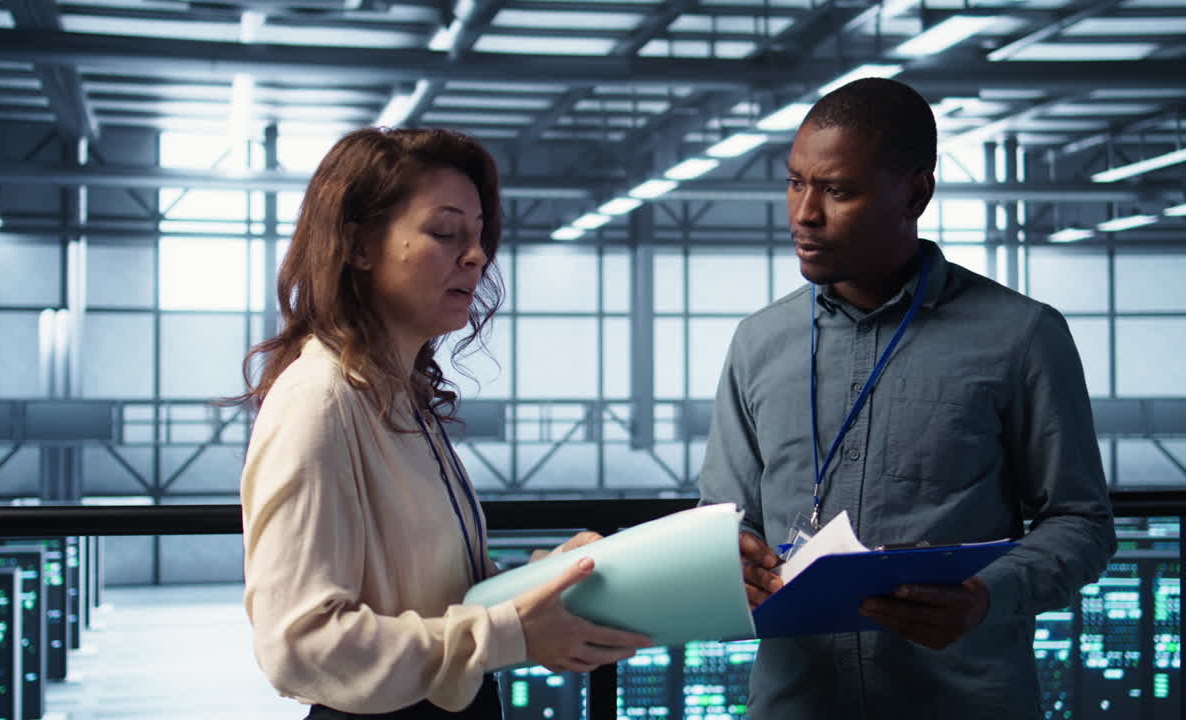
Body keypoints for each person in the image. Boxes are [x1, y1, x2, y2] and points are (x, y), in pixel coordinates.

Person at [697, 78, 1115, 719]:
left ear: (916, 192)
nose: (805, 213)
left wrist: (986, 595)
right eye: (795, 182)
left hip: (963, 702)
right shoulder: (758, 342)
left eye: (837, 191)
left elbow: (1082, 523)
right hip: (796, 704)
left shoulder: (1022, 336)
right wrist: (730, 558)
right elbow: (727, 520)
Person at [237, 127, 650, 719]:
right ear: (357, 246)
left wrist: (548, 582)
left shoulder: (399, 394)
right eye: (444, 232)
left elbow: (432, 598)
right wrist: (510, 635)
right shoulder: (319, 400)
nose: (476, 256)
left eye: (479, 236)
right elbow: (299, 647)